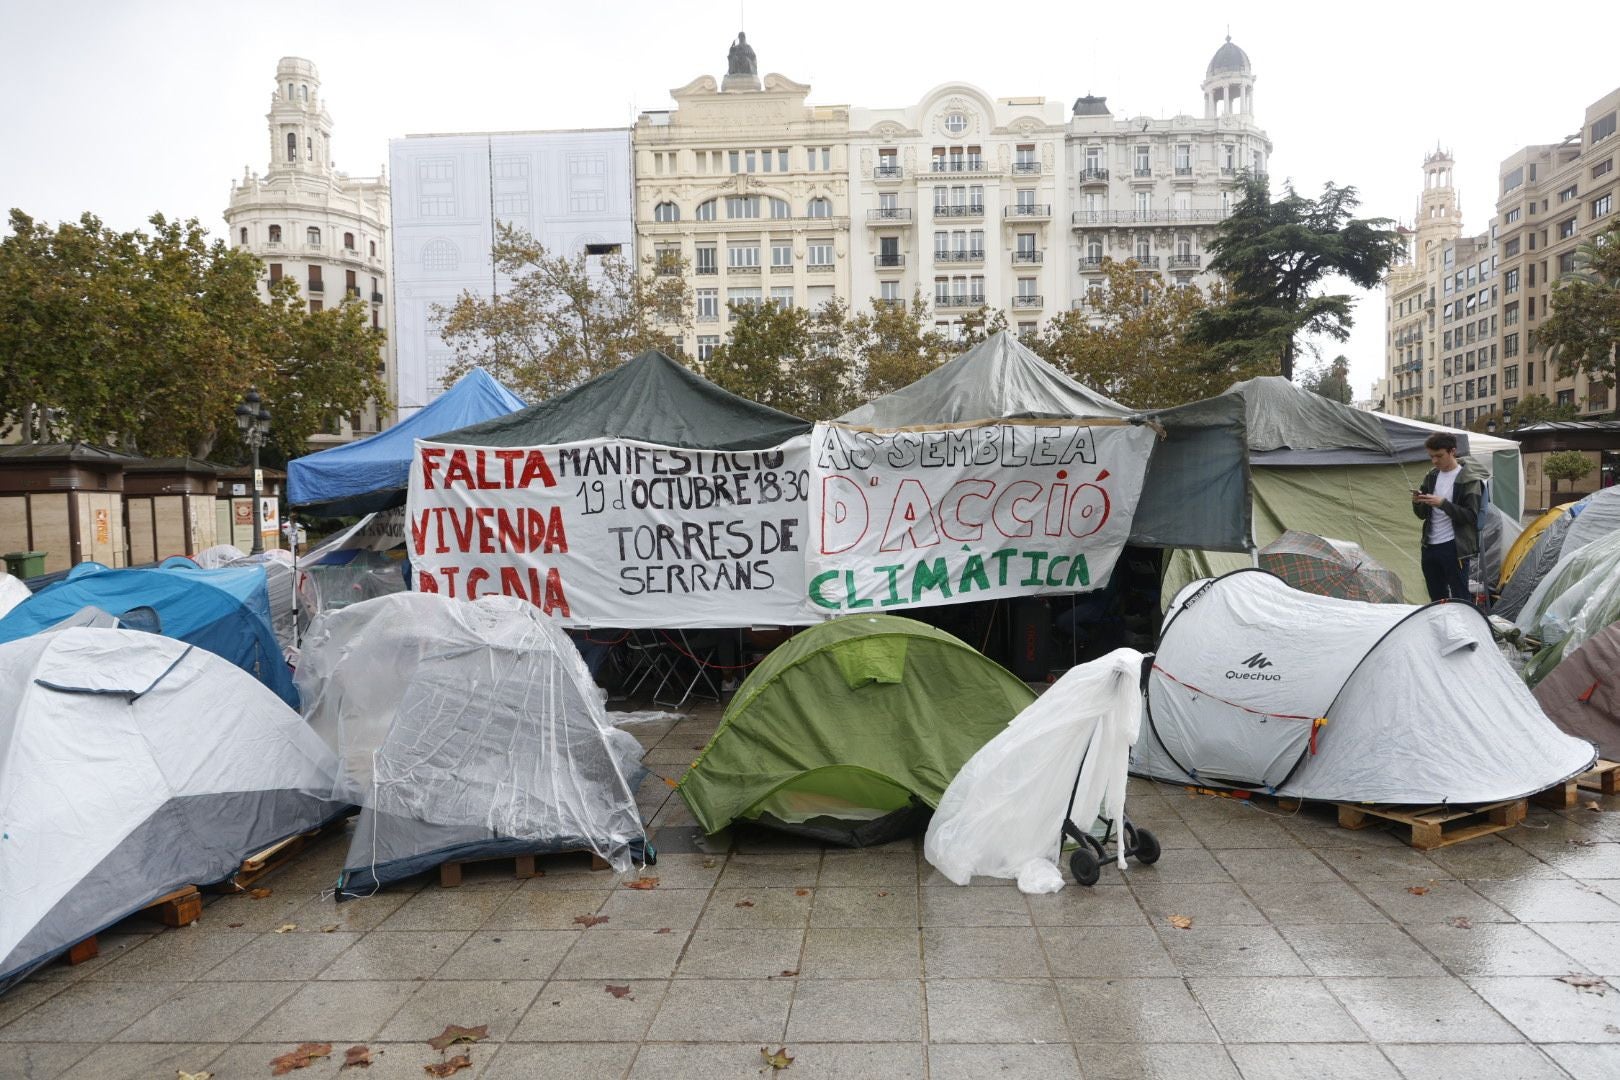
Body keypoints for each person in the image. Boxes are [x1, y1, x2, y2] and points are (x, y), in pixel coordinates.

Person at [1411, 432, 1488, 602]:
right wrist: (1417, 502)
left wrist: (1443, 504)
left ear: (1452, 451)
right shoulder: (1431, 476)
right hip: (1429, 546)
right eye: (1431, 456)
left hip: (1455, 548)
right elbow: (1422, 515)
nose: (1435, 461)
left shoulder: (1469, 479)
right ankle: (1440, 628)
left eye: (1439, 456)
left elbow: (1471, 517)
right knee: (1437, 598)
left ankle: (1464, 628)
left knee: (1460, 597)